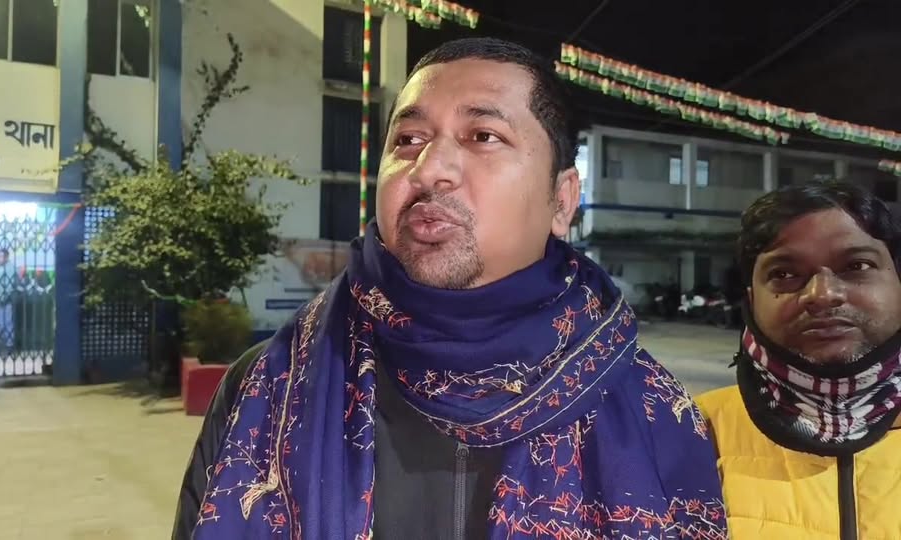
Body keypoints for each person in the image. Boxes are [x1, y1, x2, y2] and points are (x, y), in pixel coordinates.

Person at [174, 38, 726, 539]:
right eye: (408, 139)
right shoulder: (266, 387)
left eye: (483, 136)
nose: (429, 168)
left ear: (562, 200)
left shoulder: (655, 410)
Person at [698, 180, 901, 539]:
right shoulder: (691, 431)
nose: (823, 294)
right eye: (784, 274)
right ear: (752, 300)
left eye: (856, 265)